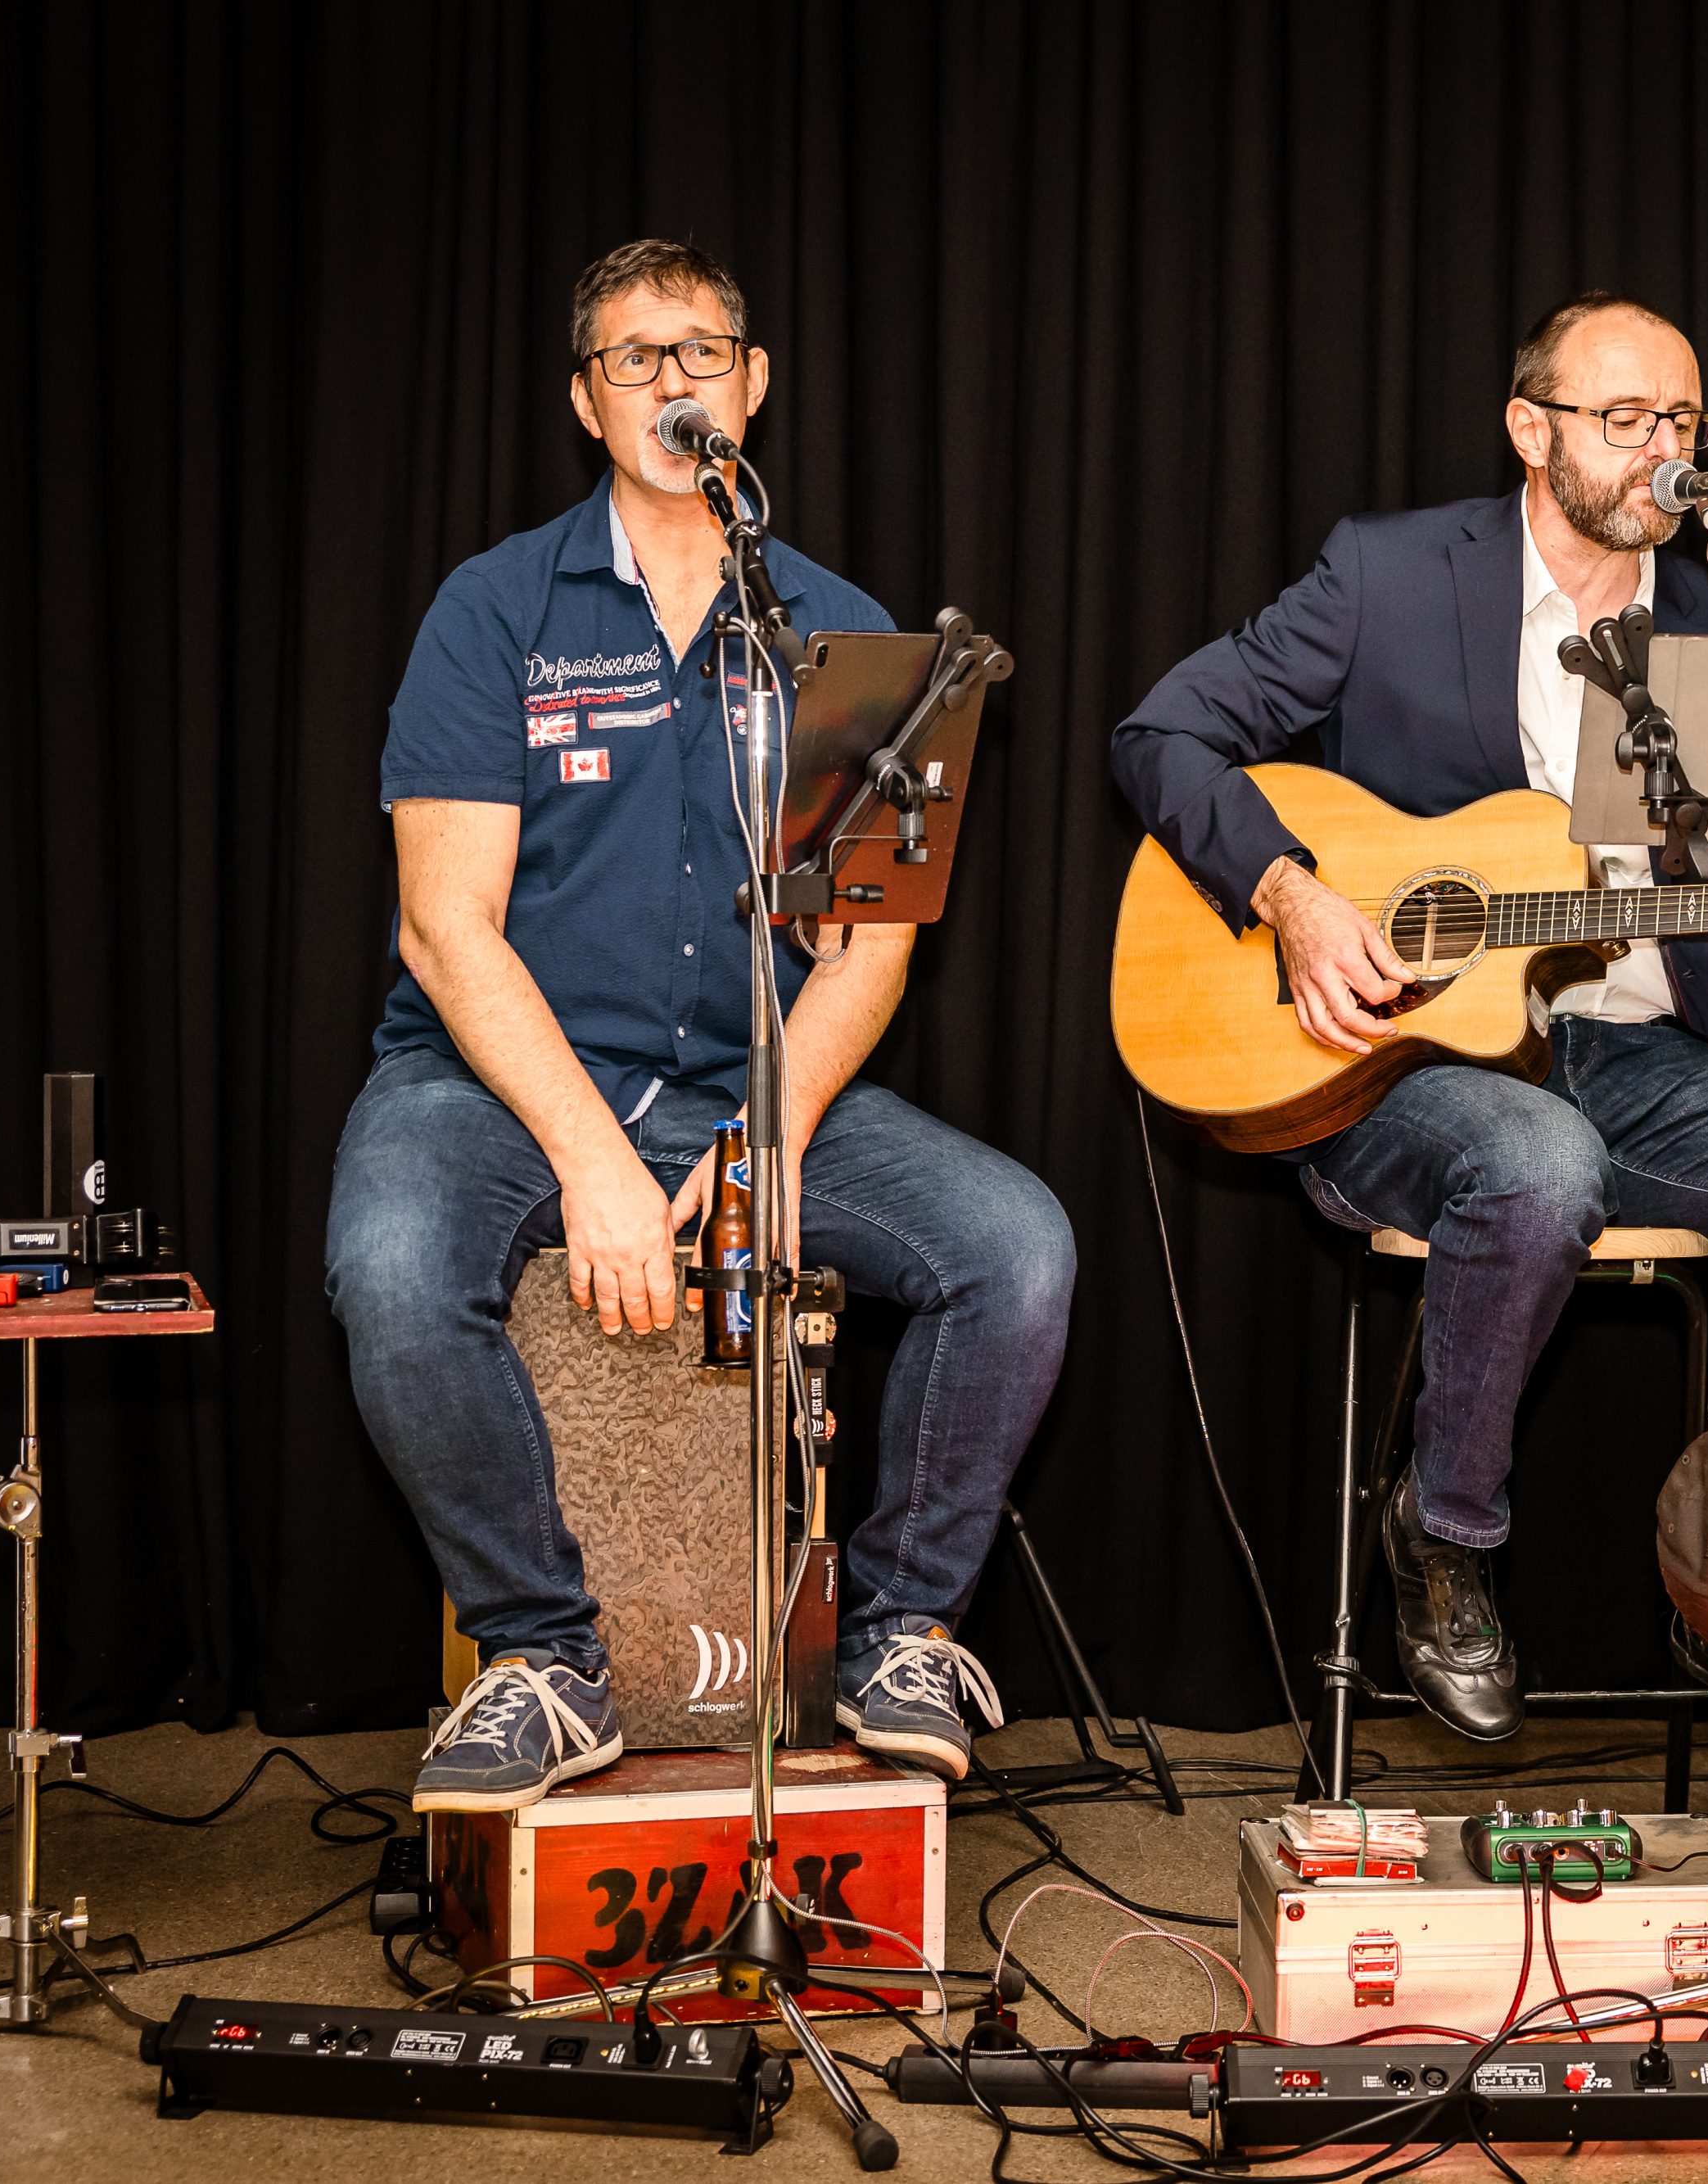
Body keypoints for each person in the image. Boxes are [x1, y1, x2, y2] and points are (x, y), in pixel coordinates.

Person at [1113, 293, 1708, 1791]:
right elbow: (1160, 736)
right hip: (1399, 1061)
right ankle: (1446, 1536)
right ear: (1532, 429)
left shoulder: (1703, 626)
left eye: (1684, 421)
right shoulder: (1390, 573)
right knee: (1539, 1157)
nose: (1663, 450)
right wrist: (1292, 895)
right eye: (1626, 418)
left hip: (1636, 1056)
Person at [326, 239, 1076, 1813]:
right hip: (499, 1080)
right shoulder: (497, 609)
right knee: (392, 1266)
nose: (673, 382)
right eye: (635, 358)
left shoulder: (844, 632)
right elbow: (444, 926)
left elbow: (869, 944)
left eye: (702, 353)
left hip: (751, 1076)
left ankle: (902, 1632)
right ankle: (544, 1659)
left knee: (1015, 1249)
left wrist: (769, 1146)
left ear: (754, 384)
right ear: (587, 403)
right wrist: (593, 1160)